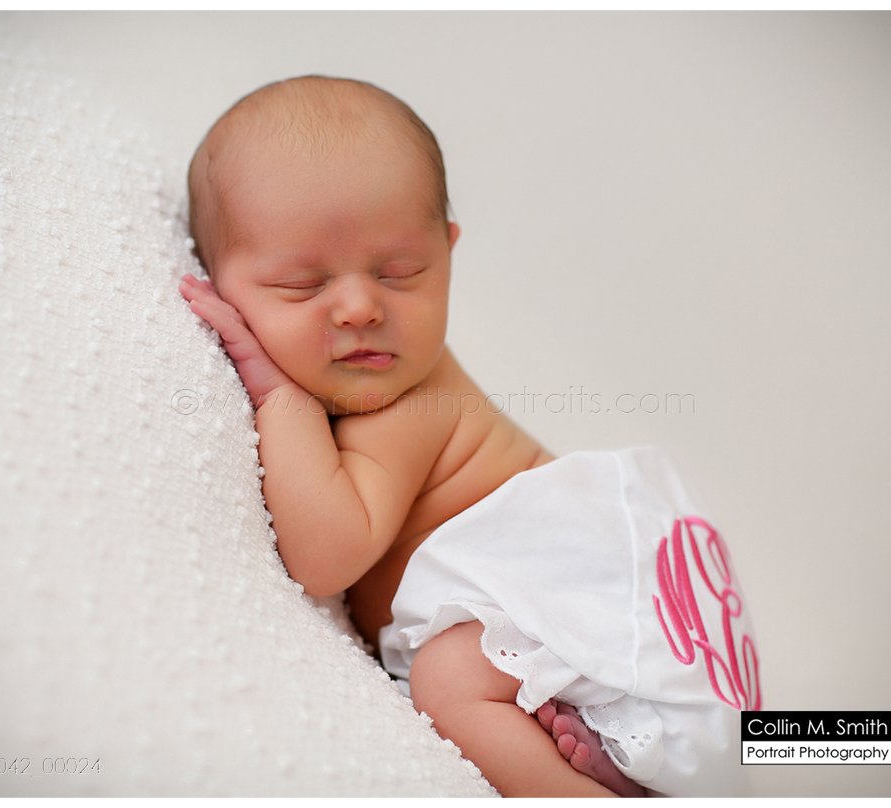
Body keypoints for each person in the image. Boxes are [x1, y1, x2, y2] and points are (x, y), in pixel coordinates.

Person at [179, 75, 760, 797]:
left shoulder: (409, 402)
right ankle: (616, 753)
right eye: (301, 285)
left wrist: (276, 393)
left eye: (401, 273)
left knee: (449, 677)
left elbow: (325, 556)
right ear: (215, 281)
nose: (359, 307)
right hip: (612, 641)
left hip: (612, 617)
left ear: (449, 253)